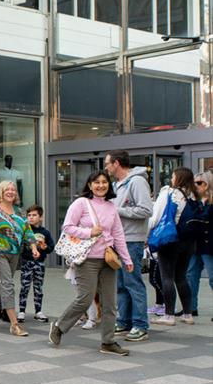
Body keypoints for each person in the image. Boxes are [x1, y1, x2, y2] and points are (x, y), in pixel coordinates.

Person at [49, 170, 133, 356]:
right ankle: (59, 327)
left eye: (104, 182)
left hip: (108, 260)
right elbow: (67, 227)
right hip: (86, 259)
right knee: (85, 298)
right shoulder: (81, 203)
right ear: (89, 185)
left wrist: (127, 259)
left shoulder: (111, 207)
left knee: (110, 303)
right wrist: (89, 232)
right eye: (97, 182)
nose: (101, 185)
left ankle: (108, 342)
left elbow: (118, 234)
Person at [0, 180, 40, 337]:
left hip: (15, 253)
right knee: (8, 286)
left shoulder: (19, 211)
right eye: (7, 190)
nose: (11, 192)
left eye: (13, 190)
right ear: (0, 191)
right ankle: (14, 324)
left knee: (0, 286)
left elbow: (27, 230)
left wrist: (33, 247)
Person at [104, 150, 153, 342]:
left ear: (116, 163)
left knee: (133, 282)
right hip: (119, 239)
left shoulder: (137, 182)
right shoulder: (117, 184)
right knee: (121, 284)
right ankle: (124, 320)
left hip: (132, 239)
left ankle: (140, 324)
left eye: (108, 163)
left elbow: (146, 210)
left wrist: (117, 210)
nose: (106, 167)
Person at [148, 168, 200, 326]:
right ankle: (187, 314)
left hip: (170, 240)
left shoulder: (169, 192)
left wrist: (147, 232)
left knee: (167, 277)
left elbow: (156, 217)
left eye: (172, 176)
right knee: (181, 277)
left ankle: (168, 315)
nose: (171, 178)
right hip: (188, 242)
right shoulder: (193, 195)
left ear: (178, 178)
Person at [18, 205, 54, 322]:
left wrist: (45, 247)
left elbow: (51, 247)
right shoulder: (25, 231)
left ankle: (38, 311)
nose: (31, 218)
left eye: (34, 215)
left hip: (39, 263)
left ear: (41, 217)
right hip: (26, 262)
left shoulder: (45, 232)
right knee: (25, 287)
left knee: (38, 287)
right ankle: (22, 311)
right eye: (29, 215)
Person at [186, 171, 213, 318]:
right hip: (195, 244)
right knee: (191, 275)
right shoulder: (193, 202)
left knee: (212, 277)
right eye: (194, 183)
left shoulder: (210, 202)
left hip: (209, 245)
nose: (195, 186)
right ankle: (190, 308)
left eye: (199, 183)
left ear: (207, 184)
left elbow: (203, 219)